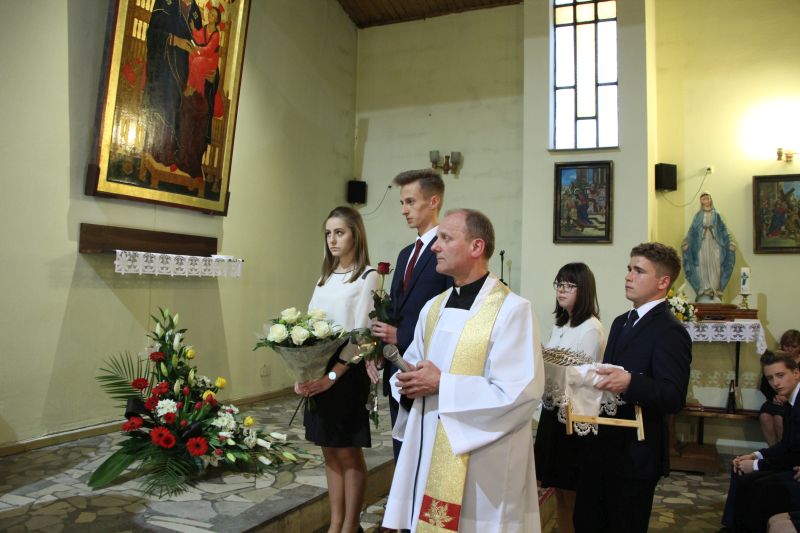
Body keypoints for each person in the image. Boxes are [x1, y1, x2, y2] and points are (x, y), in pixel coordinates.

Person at [382, 209, 545, 533]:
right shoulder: (433, 308)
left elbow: (521, 393)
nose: (435, 246)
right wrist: (407, 381)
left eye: (445, 238)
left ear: (476, 246)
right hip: (431, 448)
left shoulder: (513, 310)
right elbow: (412, 364)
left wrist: (443, 384)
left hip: (483, 462)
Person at [574, 242, 692, 533]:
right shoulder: (620, 322)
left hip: (637, 451)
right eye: (629, 269)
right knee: (588, 521)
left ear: (663, 282)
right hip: (604, 444)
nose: (628, 276)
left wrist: (630, 382)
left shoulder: (671, 331)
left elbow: (673, 396)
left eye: (639, 271)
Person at [294, 206, 378, 533]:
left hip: (347, 372)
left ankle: (351, 525)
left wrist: (332, 376)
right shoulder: (324, 278)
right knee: (328, 451)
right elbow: (307, 328)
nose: (332, 240)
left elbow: (362, 337)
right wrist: (302, 373)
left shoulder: (367, 276)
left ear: (355, 234)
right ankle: (336, 523)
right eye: (328, 233)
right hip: (319, 370)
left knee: (347, 452)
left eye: (339, 232)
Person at [369, 169, 451, 462]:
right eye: (402, 203)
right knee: (401, 449)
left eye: (410, 202)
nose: (404, 210)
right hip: (398, 367)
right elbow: (395, 310)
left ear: (434, 201)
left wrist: (401, 336)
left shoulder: (446, 250)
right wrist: (380, 348)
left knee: (424, 453)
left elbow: (449, 313)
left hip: (426, 367)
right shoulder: (406, 254)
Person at [534, 262, 605, 533]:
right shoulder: (561, 324)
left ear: (583, 289)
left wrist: (546, 361)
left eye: (569, 285)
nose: (561, 290)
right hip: (553, 412)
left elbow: (580, 376)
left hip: (575, 417)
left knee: (573, 490)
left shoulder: (590, 328)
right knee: (557, 489)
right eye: (559, 284)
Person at [721, 351, 800, 532]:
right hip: (793, 461)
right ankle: (732, 528)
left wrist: (756, 465)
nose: (776, 383)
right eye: (770, 378)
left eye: (780, 375)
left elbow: (794, 453)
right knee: (740, 469)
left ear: (796, 373)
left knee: (760, 485)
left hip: (795, 466)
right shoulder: (791, 401)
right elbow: (786, 444)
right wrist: (755, 455)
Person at [142, 0, 202, 168]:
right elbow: (152, 34)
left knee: (186, 106)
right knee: (167, 100)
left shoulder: (195, 12)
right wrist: (174, 40)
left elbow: (201, 44)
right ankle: (160, 152)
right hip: (163, 63)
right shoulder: (165, 1)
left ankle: (179, 156)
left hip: (185, 68)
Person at [682, 192, 736, 302]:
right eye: (703, 199)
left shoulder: (717, 214)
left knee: (715, 265)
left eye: (707, 198)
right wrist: (686, 242)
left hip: (715, 243)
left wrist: (730, 241)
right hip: (701, 244)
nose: (706, 201)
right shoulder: (698, 215)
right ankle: (704, 289)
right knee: (702, 264)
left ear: (711, 199)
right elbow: (692, 230)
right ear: (701, 201)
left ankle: (715, 289)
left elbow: (723, 229)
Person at [760, 330, 800, 446]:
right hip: (775, 398)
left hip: (790, 400)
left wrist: (786, 397)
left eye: (794, 346)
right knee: (765, 416)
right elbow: (764, 385)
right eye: (787, 346)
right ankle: (773, 449)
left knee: (779, 418)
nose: (790, 349)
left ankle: (780, 450)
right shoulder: (774, 361)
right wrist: (774, 396)